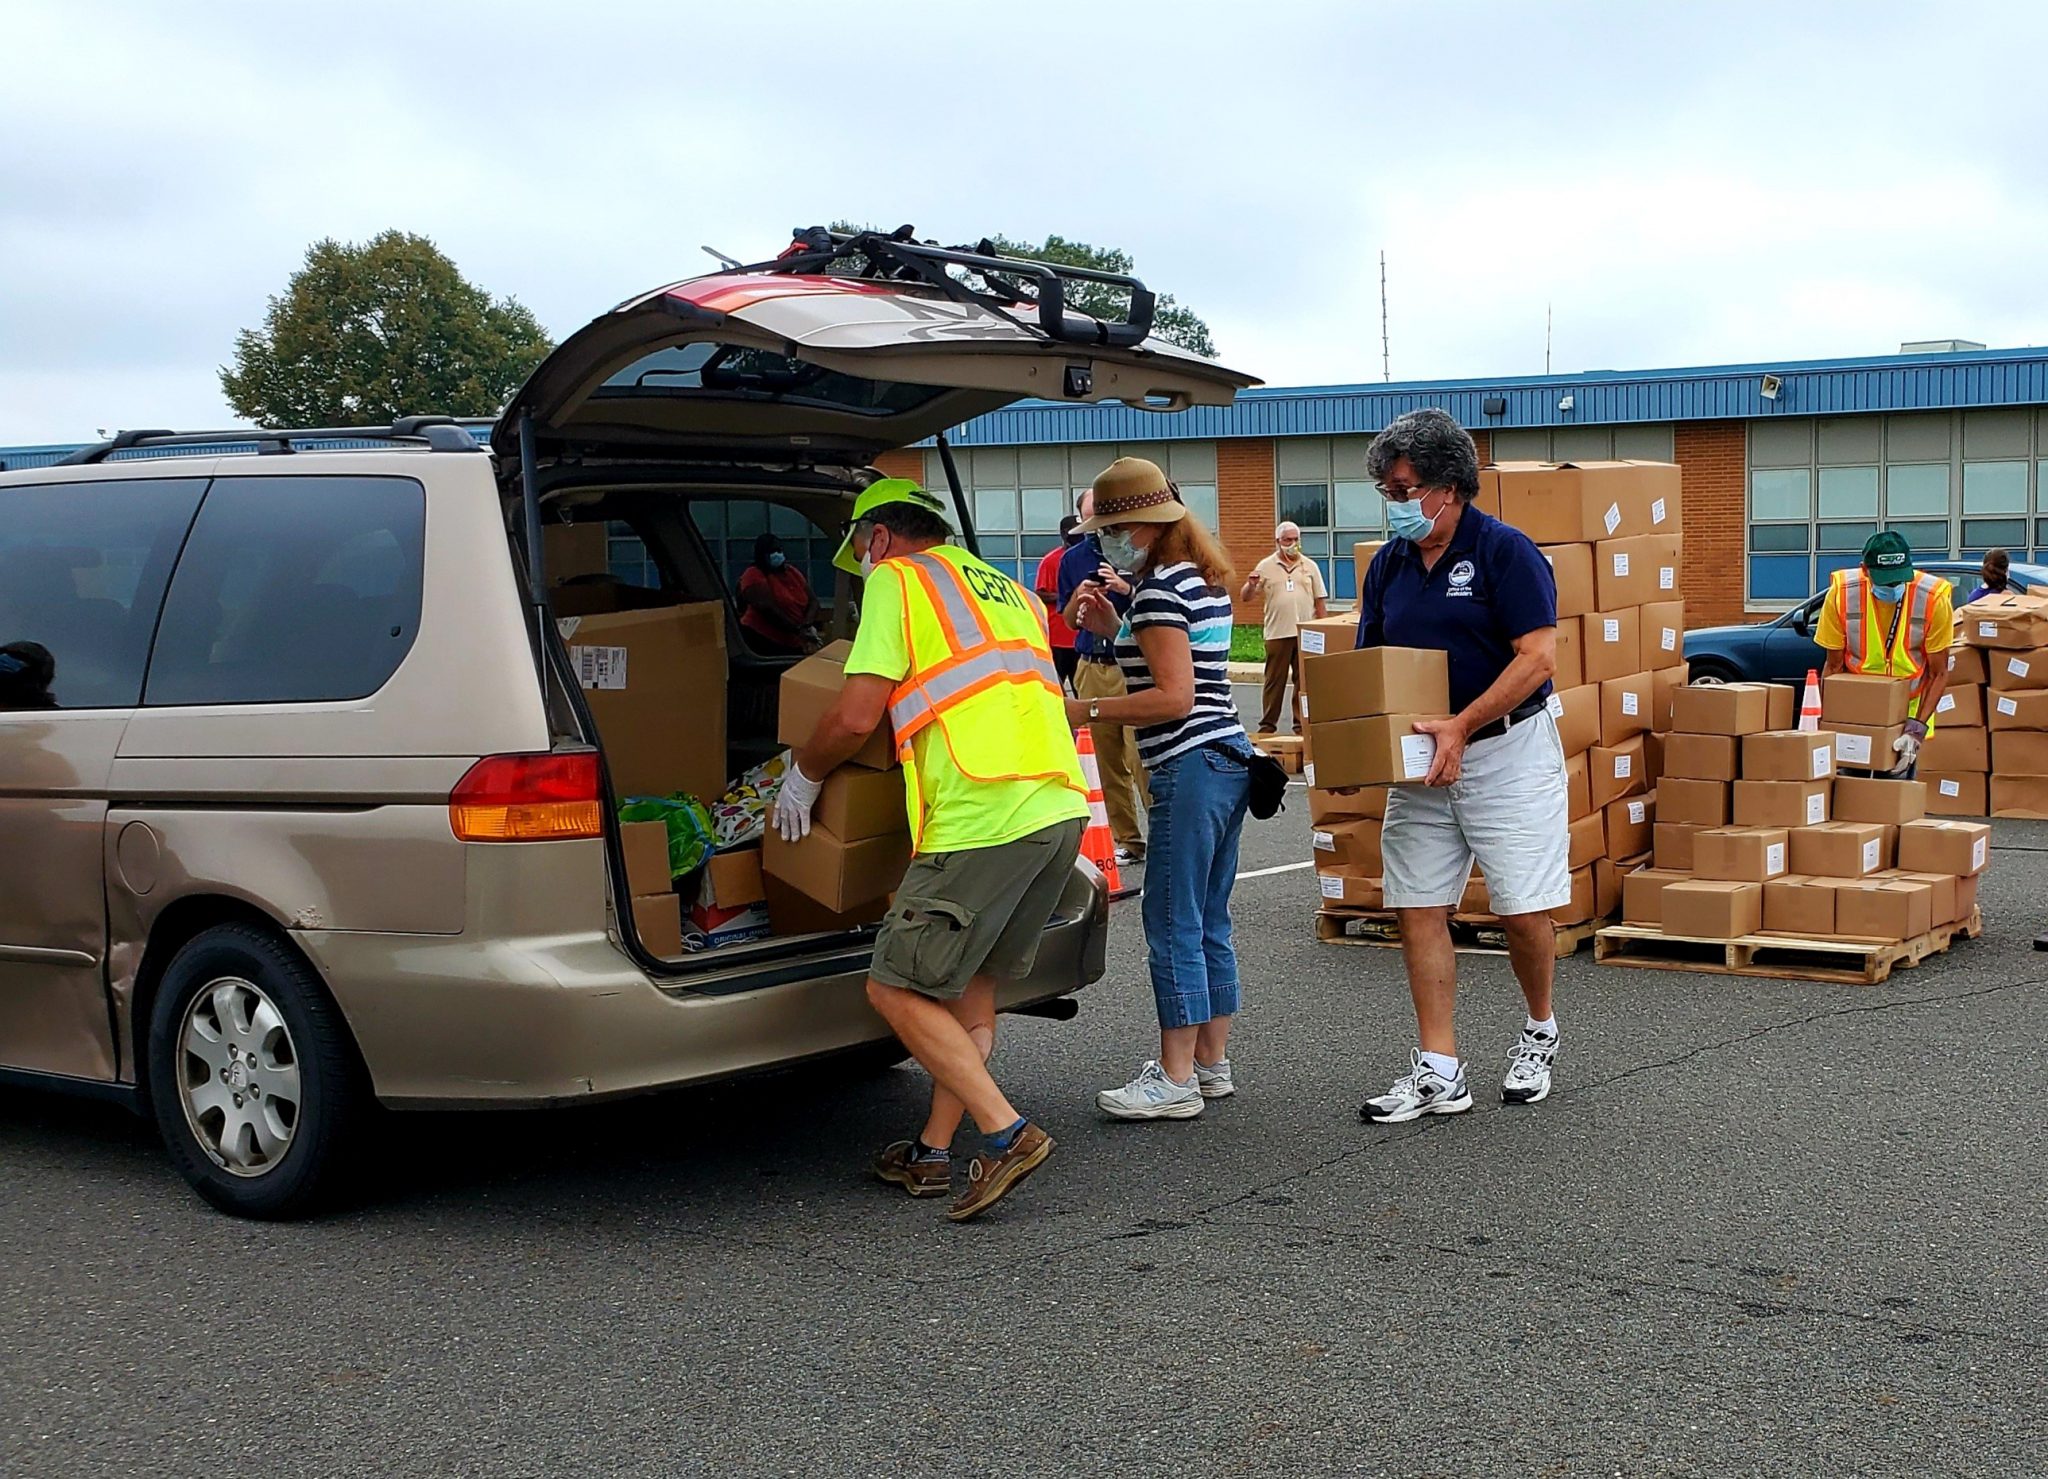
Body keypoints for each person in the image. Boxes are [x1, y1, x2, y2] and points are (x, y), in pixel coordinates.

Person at [771, 479, 1090, 1223]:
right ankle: (932, 1151)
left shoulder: (898, 579)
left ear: (876, 538)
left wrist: (803, 775)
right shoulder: (1006, 586)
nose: (861, 568)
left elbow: (855, 714)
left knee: (894, 986)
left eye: (858, 552)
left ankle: (1006, 1132)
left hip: (981, 814)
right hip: (1055, 806)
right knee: (969, 991)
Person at [1350, 409, 1571, 1123]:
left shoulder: (1507, 552)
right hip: (1421, 761)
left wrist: (1463, 724)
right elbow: (1372, 666)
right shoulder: (1388, 565)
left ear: (1451, 485)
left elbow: (1537, 656)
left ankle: (1539, 1026)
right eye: (1387, 490)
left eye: (1406, 488)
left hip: (1506, 747)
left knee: (1522, 911)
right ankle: (1440, 1067)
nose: (1397, 503)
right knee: (1417, 903)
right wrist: (1357, 741)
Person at [1065, 458, 1254, 1120]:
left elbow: (1173, 696)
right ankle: (1209, 1064)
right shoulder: (1199, 581)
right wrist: (1111, 631)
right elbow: (1183, 663)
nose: (1101, 541)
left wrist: (1083, 711)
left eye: (1108, 529)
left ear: (1140, 526)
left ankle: (1173, 1078)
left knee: (1171, 919)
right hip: (1230, 757)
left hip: (1187, 763)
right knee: (1208, 918)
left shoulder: (1154, 591)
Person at [1814, 530, 1952, 778]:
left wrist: (1916, 729)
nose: (1893, 586)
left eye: (1899, 579)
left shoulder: (1932, 598)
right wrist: (1830, 723)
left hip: (1907, 712)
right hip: (1856, 709)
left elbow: (1939, 672)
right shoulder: (1843, 594)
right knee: (1851, 794)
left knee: (1895, 798)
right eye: (1885, 579)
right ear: (1865, 570)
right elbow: (1833, 667)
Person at [1059, 487, 1149, 865]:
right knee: (1106, 758)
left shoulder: (1136, 551)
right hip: (1092, 662)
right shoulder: (1073, 559)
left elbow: (1154, 604)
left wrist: (1125, 587)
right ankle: (1128, 839)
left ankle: (1164, 836)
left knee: (1140, 755)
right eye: (1089, 518)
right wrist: (1080, 598)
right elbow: (1065, 621)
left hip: (1131, 664)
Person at [1239, 520, 1328, 734]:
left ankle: (1300, 725)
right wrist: (1251, 585)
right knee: (1274, 681)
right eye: (1288, 540)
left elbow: (1320, 601)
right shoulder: (1265, 566)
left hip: (1304, 633)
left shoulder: (1309, 566)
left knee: (1303, 682)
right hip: (1277, 633)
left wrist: (1323, 629)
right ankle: (1268, 725)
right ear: (1278, 541)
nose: (1293, 544)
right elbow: (1246, 597)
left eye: (1296, 539)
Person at [736, 531, 820, 655]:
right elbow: (768, 610)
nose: (777, 554)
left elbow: (813, 601)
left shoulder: (791, 572)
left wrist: (807, 624)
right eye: (771, 551)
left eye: (779, 550)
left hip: (792, 640)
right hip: (761, 639)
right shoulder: (753, 574)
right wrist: (797, 630)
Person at [1034, 515, 1083, 693]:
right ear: (1064, 534)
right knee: (1055, 690)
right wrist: (1066, 596)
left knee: (1082, 690)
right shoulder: (1050, 560)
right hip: (1057, 639)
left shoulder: (1085, 557)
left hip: (1081, 637)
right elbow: (1040, 593)